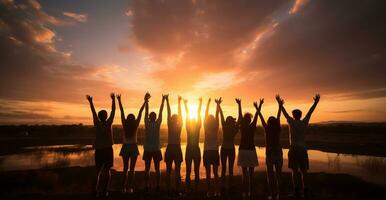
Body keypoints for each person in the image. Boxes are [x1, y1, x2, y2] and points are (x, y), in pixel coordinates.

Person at [277, 94, 320, 200]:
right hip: (303, 149)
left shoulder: (291, 122)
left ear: (294, 115)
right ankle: (305, 191)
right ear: (300, 115)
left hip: (294, 149)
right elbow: (310, 112)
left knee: (294, 171)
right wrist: (315, 102)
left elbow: (285, 114)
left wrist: (280, 103)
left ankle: (296, 191)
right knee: (304, 171)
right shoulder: (304, 122)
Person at [117, 93, 149, 193]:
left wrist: (119, 100)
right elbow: (140, 112)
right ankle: (130, 188)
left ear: (127, 118)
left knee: (125, 168)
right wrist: (145, 101)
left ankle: (123, 188)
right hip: (133, 147)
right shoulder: (135, 124)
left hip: (125, 147)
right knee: (132, 169)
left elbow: (121, 111)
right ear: (134, 119)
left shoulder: (124, 123)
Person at [86, 93, 116, 197]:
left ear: (99, 117)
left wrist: (91, 102)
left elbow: (93, 112)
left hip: (99, 150)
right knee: (107, 171)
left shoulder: (97, 123)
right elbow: (113, 111)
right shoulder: (109, 123)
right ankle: (105, 191)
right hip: (108, 149)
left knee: (97, 171)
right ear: (106, 116)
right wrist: (113, 100)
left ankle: (95, 190)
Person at [236, 98, 262, 198]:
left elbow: (240, 115)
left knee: (244, 173)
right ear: (250, 120)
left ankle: (246, 192)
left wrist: (239, 104)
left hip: (243, 150)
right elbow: (256, 116)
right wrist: (258, 106)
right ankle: (251, 192)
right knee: (251, 173)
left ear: (244, 120)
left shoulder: (242, 126)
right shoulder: (252, 126)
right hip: (251, 150)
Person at [258, 97, 282, 200]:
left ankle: (272, 194)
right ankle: (279, 194)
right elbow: (278, 116)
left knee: (270, 174)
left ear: (268, 122)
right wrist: (280, 105)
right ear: (276, 122)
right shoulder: (278, 128)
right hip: (278, 153)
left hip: (270, 154)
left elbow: (261, 117)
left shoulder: (267, 129)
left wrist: (259, 106)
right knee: (278, 174)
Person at [143, 93, 166, 192]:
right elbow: (161, 111)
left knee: (147, 168)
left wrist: (146, 101)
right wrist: (163, 100)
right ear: (155, 117)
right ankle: (157, 186)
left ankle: (147, 186)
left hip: (149, 149)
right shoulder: (157, 123)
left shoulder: (147, 123)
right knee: (157, 168)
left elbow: (146, 112)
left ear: (150, 117)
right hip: (156, 149)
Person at [217, 98, 238, 193]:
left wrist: (219, 105)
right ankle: (231, 186)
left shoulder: (225, 127)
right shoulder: (234, 129)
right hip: (231, 149)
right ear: (232, 122)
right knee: (230, 169)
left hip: (224, 149)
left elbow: (221, 116)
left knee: (224, 169)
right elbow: (240, 118)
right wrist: (239, 105)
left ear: (227, 121)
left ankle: (223, 186)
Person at [164, 95, 183, 196]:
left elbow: (168, 112)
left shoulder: (169, 124)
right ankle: (177, 190)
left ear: (171, 119)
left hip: (170, 147)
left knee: (168, 170)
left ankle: (168, 190)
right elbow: (180, 115)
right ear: (178, 119)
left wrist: (167, 100)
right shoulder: (179, 125)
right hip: (176, 147)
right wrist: (179, 103)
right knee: (177, 171)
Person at [183, 97, 202, 192]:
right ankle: (195, 189)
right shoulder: (196, 128)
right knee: (195, 171)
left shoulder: (189, 128)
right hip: (194, 149)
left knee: (189, 171)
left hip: (190, 149)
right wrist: (200, 103)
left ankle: (189, 189)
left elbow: (188, 114)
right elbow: (197, 114)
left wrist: (186, 104)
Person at [203, 98, 220, 197]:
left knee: (208, 173)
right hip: (214, 151)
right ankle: (217, 191)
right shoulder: (216, 126)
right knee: (216, 173)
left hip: (207, 151)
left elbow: (205, 115)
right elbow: (217, 115)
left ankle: (209, 191)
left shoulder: (206, 126)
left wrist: (208, 103)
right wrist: (217, 105)